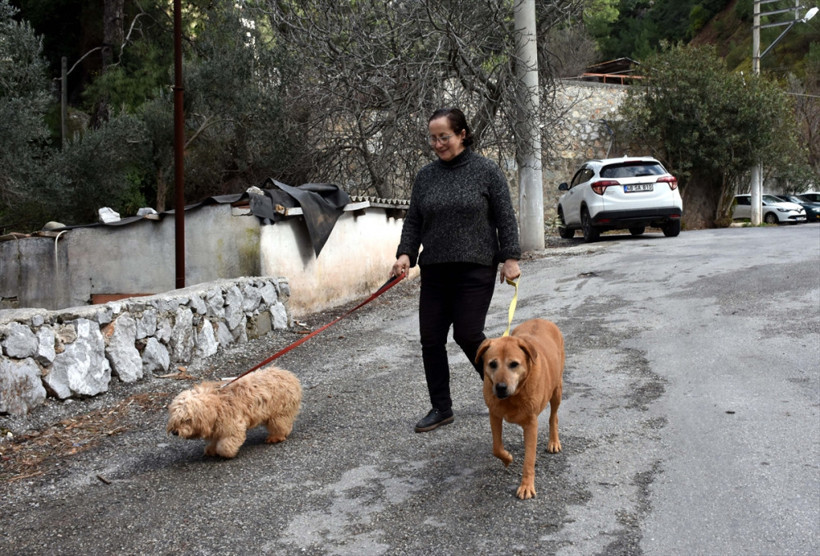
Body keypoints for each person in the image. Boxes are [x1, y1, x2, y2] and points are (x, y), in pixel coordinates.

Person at [391, 107, 521, 433]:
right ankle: (441, 407)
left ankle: (503, 391)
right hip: (435, 269)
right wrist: (406, 254)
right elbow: (414, 221)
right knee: (431, 339)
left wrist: (510, 258)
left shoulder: (486, 171)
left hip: (475, 268)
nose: (438, 144)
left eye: (444, 137)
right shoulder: (425, 177)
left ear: (462, 134)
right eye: (433, 138)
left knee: (466, 333)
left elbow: (505, 217)